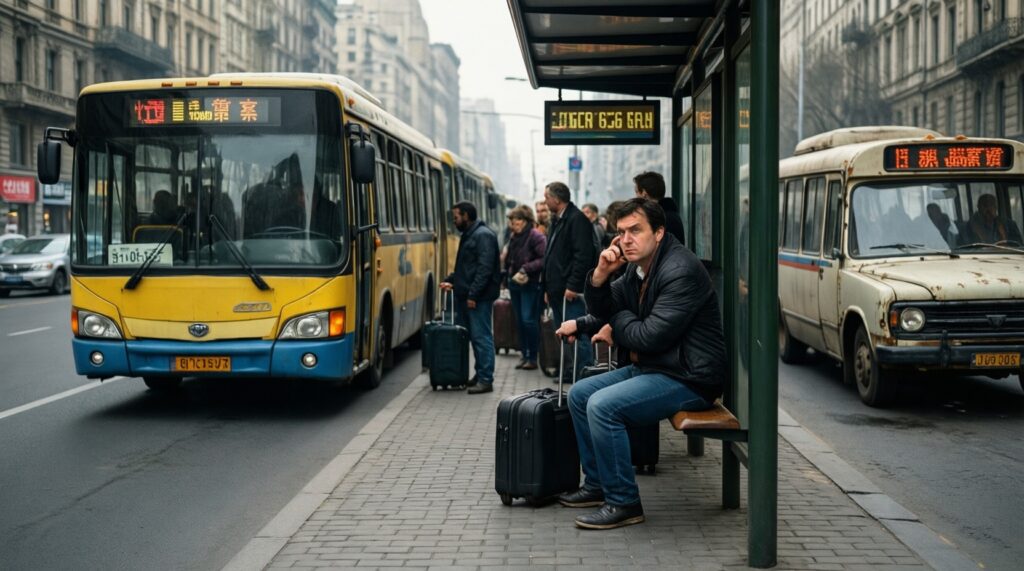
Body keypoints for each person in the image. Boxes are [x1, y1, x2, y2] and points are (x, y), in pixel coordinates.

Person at [554, 198, 726, 530]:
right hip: (659, 367)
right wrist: (600, 275)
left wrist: (613, 322)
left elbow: (648, 337)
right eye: (621, 233)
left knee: (603, 406)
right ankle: (597, 484)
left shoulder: (679, 270)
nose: (626, 240)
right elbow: (609, 307)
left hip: (689, 377)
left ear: (659, 232)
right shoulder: (639, 267)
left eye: (636, 230)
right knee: (579, 395)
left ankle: (624, 502)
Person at [440, 201, 501, 394]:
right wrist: (452, 281)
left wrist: (473, 294)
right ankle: (480, 374)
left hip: (478, 298)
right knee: (475, 337)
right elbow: (467, 268)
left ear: (466, 216)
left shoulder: (483, 235)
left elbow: (484, 269)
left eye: (456, 217)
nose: (454, 221)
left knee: (481, 337)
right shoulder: (472, 234)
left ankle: (486, 379)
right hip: (470, 295)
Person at [542, 181, 599, 382]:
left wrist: (573, 285)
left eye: (547, 197)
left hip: (569, 291)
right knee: (564, 333)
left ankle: (583, 373)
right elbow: (550, 255)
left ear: (557, 199)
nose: (545, 201)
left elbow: (583, 255)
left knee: (579, 332)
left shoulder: (576, 219)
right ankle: (570, 370)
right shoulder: (558, 220)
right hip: (557, 289)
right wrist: (547, 287)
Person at [504, 205, 547, 370]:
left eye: (516, 222)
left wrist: (526, 268)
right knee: (520, 321)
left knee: (528, 320)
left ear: (525, 221)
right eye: (512, 222)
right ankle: (524, 354)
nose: (513, 225)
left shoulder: (536, 236)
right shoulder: (514, 236)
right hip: (515, 283)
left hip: (530, 284)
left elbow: (543, 259)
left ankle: (533, 357)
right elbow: (510, 259)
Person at [634, 171, 685, 246]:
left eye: (636, 192)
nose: (635, 197)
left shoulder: (660, 219)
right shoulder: (670, 215)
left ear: (644, 194)